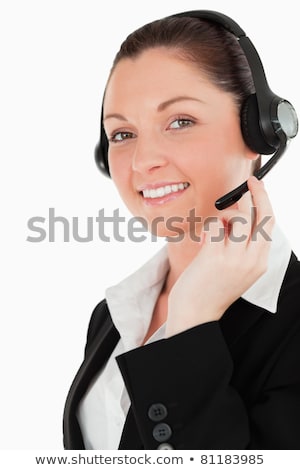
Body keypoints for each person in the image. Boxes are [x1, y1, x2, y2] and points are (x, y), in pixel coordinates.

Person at [63, 10, 300, 450]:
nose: (141, 161)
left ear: (262, 131)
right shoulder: (111, 316)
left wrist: (191, 326)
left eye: (180, 122)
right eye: (121, 134)